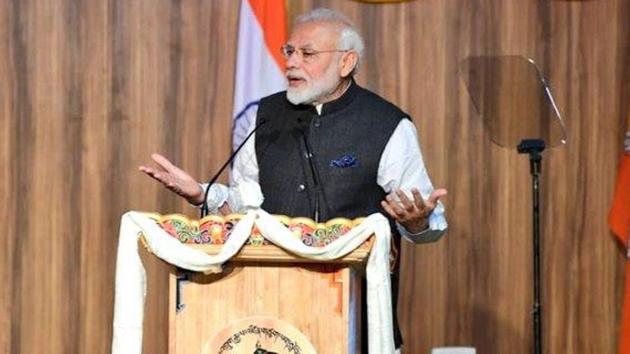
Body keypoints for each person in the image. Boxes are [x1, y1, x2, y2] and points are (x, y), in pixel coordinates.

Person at [139, 8, 447, 352]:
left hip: (358, 324)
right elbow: (245, 206)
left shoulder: (387, 124)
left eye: (307, 53)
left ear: (346, 63)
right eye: (289, 51)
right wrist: (202, 194)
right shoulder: (265, 116)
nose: (291, 63)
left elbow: (429, 221)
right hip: (270, 320)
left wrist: (417, 221)